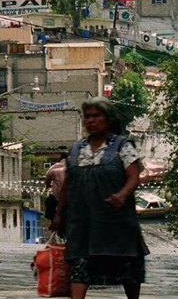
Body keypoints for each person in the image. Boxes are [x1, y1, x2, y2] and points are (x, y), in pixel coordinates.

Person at [52, 98, 147, 299]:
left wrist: (122, 195)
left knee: (128, 272)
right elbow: (68, 183)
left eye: (97, 116)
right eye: (87, 116)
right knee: (80, 268)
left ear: (108, 119)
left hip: (116, 223)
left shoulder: (122, 146)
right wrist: (59, 214)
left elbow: (133, 176)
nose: (91, 121)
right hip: (82, 225)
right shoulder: (76, 150)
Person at [44, 157, 66, 228]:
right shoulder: (73, 166)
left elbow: (47, 180)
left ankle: (53, 221)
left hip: (58, 196)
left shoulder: (53, 169)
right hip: (73, 196)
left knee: (49, 202)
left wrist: (48, 185)